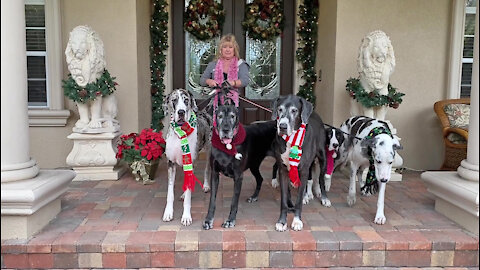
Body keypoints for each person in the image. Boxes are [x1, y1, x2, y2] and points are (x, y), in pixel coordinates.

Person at [200, 34, 250, 108]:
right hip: (216, 102)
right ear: (221, 49)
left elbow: (245, 81)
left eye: (230, 47)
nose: (227, 50)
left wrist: (233, 83)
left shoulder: (241, 64)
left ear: (234, 49)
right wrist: (209, 81)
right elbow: (202, 80)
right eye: (224, 47)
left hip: (234, 103)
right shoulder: (213, 64)